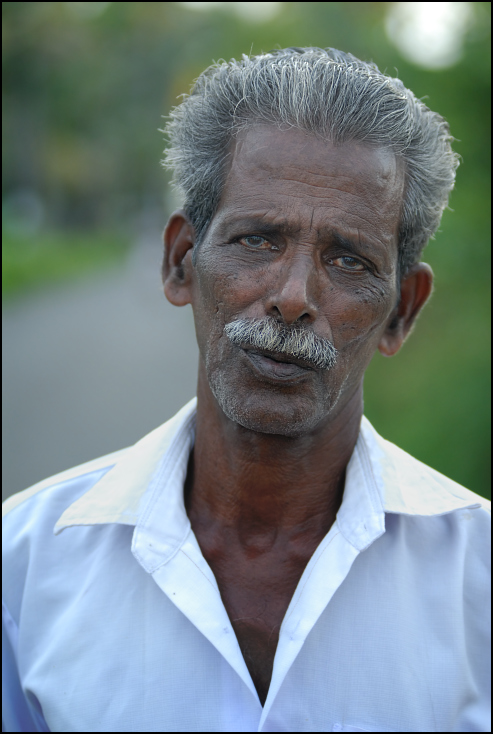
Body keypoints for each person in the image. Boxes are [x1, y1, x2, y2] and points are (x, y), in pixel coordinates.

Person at [2, 47, 490, 733]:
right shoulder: (24, 565)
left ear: (402, 309)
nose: (292, 299)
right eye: (257, 240)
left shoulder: (479, 580)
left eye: (347, 260)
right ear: (179, 262)